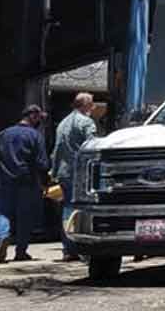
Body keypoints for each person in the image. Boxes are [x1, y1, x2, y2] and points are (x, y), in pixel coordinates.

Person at [0, 105, 50, 264]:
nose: (41, 122)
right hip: (27, 181)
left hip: (4, 180)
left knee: (2, 211)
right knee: (25, 217)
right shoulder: (35, 136)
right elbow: (42, 163)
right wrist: (45, 181)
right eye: (40, 119)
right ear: (33, 117)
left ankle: (4, 237)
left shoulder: (4, 133)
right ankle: (21, 251)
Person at [51, 93, 97, 262]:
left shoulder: (62, 124)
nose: (93, 107)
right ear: (85, 105)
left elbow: (56, 149)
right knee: (84, 209)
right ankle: (81, 246)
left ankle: (68, 249)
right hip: (81, 173)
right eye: (91, 104)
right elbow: (92, 146)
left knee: (67, 208)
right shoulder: (86, 122)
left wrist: (54, 172)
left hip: (64, 173)